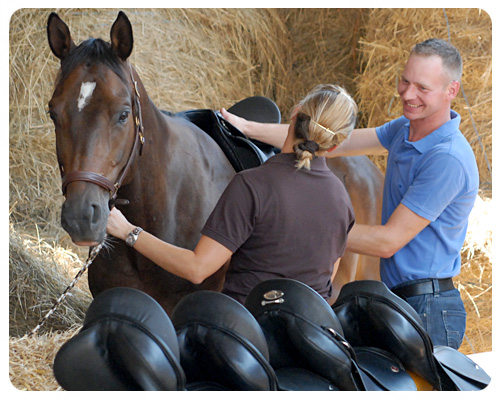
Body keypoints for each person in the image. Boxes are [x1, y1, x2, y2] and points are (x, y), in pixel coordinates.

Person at [221, 39, 478, 350]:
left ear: (452, 90)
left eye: (422, 88)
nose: (408, 94)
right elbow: (324, 139)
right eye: (405, 81)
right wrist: (246, 127)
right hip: (393, 295)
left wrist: (296, 226)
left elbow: (387, 242)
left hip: (428, 308)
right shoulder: (404, 128)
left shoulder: (446, 159)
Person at [107, 84, 356, 305]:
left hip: (249, 337)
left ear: (295, 112)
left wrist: (129, 231)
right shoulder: (343, 201)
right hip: (310, 337)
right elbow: (325, 280)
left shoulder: (252, 185)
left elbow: (197, 268)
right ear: (335, 145)